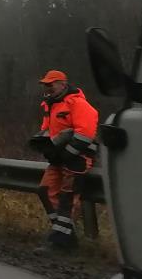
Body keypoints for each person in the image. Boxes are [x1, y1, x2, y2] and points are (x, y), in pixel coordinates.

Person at [31, 69, 99, 250]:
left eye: (50, 84)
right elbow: (47, 131)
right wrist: (43, 145)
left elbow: (85, 133)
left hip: (78, 158)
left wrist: (67, 153)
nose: (47, 87)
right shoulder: (50, 105)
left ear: (63, 84)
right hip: (59, 158)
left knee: (67, 197)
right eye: (45, 84)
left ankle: (59, 241)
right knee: (45, 191)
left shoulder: (77, 103)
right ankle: (65, 236)